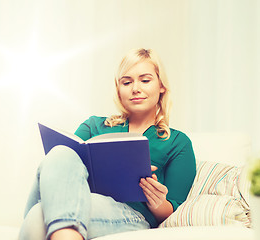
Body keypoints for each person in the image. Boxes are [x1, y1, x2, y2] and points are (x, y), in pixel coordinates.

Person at [18, 48, 196, 240]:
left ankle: (63, 229)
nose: (135, 88)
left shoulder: (178, 142)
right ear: (118, 89)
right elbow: (62, 171)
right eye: (126, 82)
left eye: (145, 80)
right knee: (61, 152)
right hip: (76, 199)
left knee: (38, 216)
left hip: (129, 215)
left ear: (161, 86)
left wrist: (157, 201)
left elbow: (173, 209)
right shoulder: (94, 125)